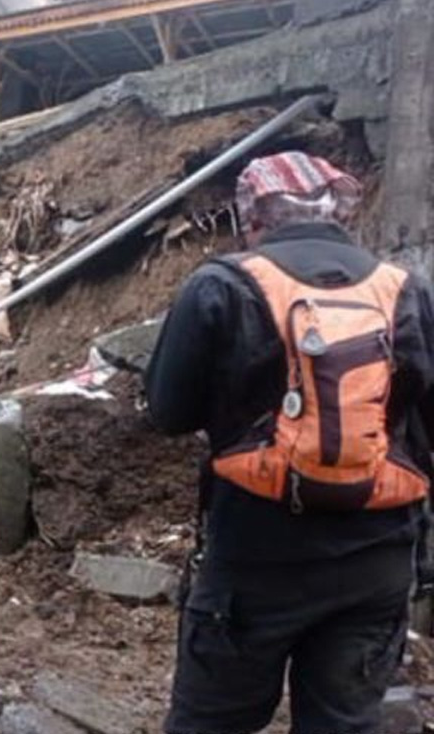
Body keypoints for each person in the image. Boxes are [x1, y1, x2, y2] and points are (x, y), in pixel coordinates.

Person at [144, 151, 434, 734]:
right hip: (376, 561)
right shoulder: (407, 291)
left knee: (211, 723)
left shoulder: (220, 285)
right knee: (344, 724)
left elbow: (168, 413)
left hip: (255, 558)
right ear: (339, 212)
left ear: (254, 217)